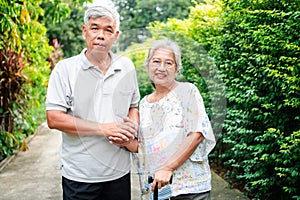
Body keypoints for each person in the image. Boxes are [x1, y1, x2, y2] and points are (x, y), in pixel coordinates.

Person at [45, 3, 140, 200]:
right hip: (80, 175)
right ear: (84, 31)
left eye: (108, 30)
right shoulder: (65, 70)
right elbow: (54, 119)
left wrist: (132, 127)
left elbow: (133, 105)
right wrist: (104, 128)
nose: (101, 35)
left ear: (116, 35)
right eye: (95, 28)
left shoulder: (126, 67)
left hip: (119, 173)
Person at [137, 39, 216, 200]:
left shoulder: (187, 91)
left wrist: (168, 168)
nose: (161, 68)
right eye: (156, 61)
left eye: (169, 63)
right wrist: (120, 138)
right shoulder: (144, 103)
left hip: (190, 188)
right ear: (148, 66)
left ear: (177, 68)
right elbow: (143, 145)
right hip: (159, 189)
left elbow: (197, 133)